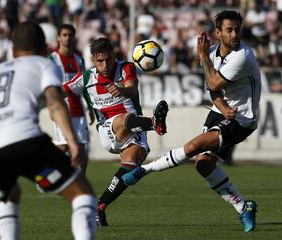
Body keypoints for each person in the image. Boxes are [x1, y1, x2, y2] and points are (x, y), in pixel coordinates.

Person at [0, 21, 97, 240]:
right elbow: (55, 102)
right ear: (46, 48)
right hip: (25, 142)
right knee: (82, 195)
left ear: (13, 51)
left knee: (10, 194)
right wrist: (73, 142)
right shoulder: (44, 64)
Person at [123, 11, 261, 233]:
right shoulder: (212, 53)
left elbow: (215, 81)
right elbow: (212, 89)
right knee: (203, 164)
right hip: (222, 112)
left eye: (237, 29)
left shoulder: (242, 56)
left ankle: (144, 171)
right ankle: (244, 206)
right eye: (229, 30)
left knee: (194, 147)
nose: (235, 34)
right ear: (218, 32)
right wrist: (223, 107)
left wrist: (203, 58)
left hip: (242, 119)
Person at [62, 37, 169, 226]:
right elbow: (61, 91)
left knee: (131, 168)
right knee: (121, 118)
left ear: (114, 56)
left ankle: (100, 207)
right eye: (100, 61)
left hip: (135, 129)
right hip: (109, 129)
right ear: (93, 61)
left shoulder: (126, 68)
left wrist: (121, 90)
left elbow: (132, 88)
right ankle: (154, 123)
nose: (105, 65)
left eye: (108, 59)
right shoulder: (86, 78)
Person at [48, 23, 94, 173]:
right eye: (64, 35)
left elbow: (84, 85)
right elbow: (49, 87)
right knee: (63, 146)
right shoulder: (52, 60)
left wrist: (91, 107)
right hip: (61, 108)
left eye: (70, 35)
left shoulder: (79, 60)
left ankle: (81, 184)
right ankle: (44, 170)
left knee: (82, 152)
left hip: (78, 109)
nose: (67, 38)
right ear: (59, 38)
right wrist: (51, 107)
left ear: (74, 38)